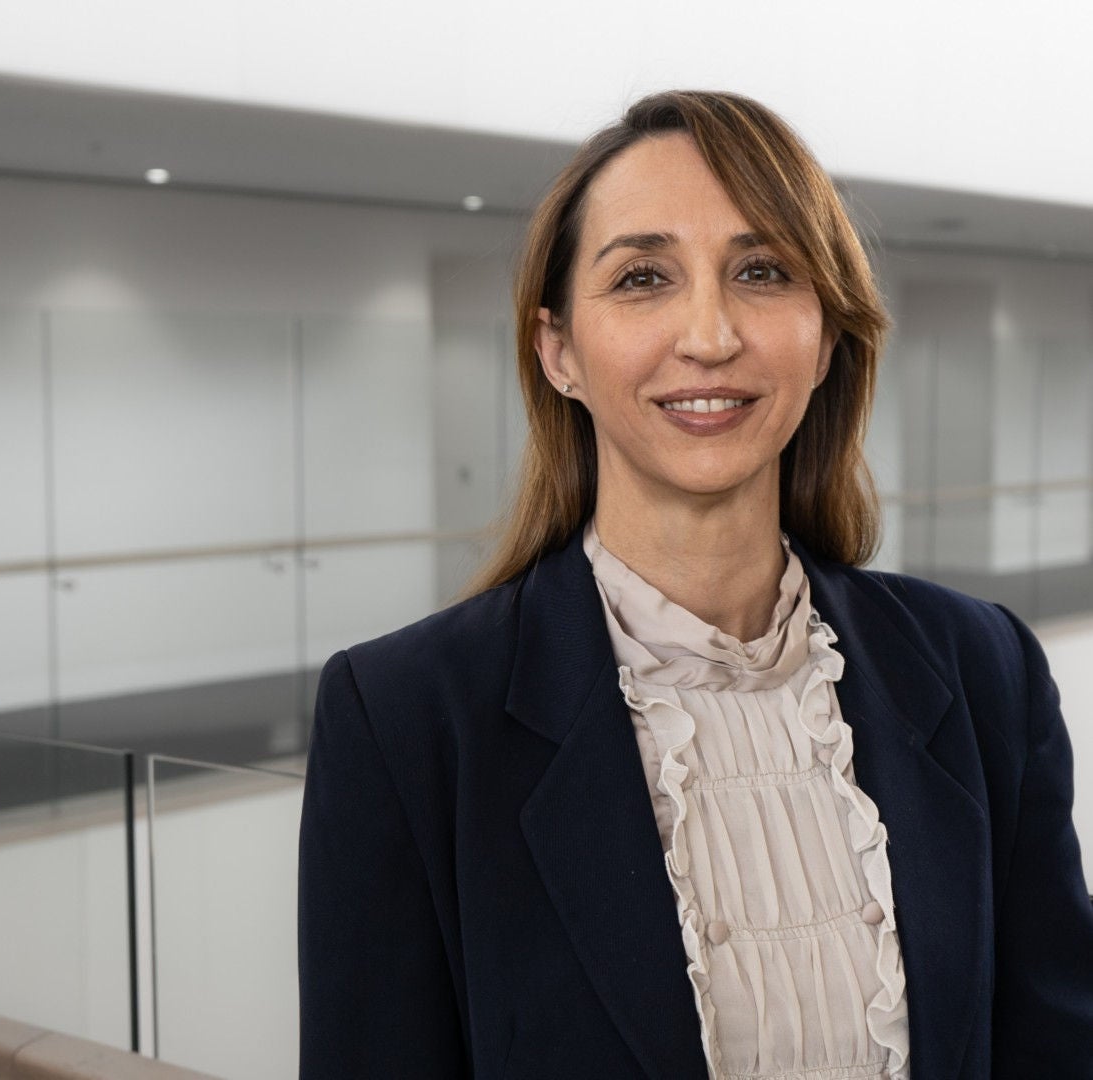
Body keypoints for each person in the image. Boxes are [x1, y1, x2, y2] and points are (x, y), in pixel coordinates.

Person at [297, 89, 1093, 1079]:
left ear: (826, 337)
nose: (710, 335)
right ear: (558, 350)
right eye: (642, 277)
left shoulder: (983, 668)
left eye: (763, 271)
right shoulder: (406, 718)